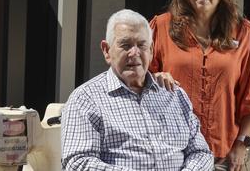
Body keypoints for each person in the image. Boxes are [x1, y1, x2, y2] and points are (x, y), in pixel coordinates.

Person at [149, 0, 250, 171]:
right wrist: (155, 78)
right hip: (171, 156)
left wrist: (241, 144)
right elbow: (136, 82)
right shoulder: (160, 28)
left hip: (223, 158)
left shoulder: (245, 34)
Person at [61, 9, 213, 171]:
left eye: (141, 45)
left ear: (151, 50)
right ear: (107, 50)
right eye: (125, 45)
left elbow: (201, 152)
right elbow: (77, 162)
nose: (134, 53)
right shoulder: (85, 99)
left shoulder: (174, 95)